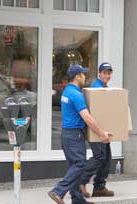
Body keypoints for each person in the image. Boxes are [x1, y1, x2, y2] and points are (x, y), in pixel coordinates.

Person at [48, 64, 111, 204]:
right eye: (83, 74)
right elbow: (87, 118)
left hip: (67, 134)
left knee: (74, 166)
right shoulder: (76, 94)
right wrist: (101, 134)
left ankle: (77, 200)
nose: (84, 76)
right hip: (75, 135)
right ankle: (58, 191)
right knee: (80, 164)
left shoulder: (67, 91)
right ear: (77, 76)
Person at [79, 62, 115, 197]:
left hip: (104, 130)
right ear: (99, 74)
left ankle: (99, 187)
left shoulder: (105, 88)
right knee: (99, 156)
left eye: (109, 73)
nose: (107, 75)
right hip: (96, 130)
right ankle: (80, 181)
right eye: (105, 73)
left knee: (106, 158)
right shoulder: (96, 88)